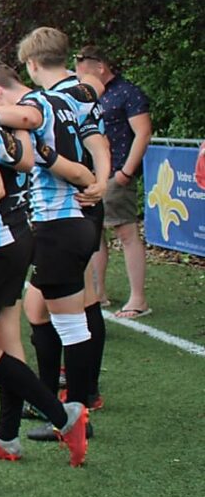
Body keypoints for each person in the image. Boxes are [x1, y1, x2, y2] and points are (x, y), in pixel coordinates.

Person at [0, 58, 94, 463]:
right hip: (17, 236)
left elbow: (3, 174)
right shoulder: (5, 123)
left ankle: (62, 415)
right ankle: (7, 434)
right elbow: (26, 158)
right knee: (7, 339)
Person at [74, 46, 153, 317]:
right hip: (92, 176)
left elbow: (143, 132)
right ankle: (98, 293)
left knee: (126, 233)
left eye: (83, 70)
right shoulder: (87, 95)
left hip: (116, 173)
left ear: (100, 67)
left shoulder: (128, 92)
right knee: (95, 235)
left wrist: (125, 173)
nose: (78, 76)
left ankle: (138, 299)